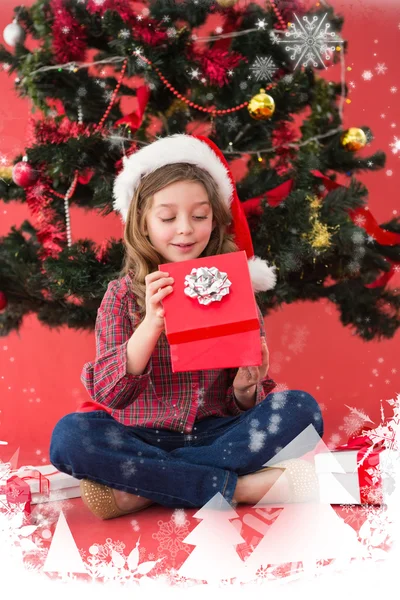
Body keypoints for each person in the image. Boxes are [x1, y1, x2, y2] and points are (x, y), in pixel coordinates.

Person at [49, 134, 324, 520]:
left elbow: (243, 399)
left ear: (213, 219)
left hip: (218, 434)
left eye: (199, 216)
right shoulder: (121, 297)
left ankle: (148, 486)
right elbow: (110, 394)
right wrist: (150, 325)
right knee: (69, 437)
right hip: (141, 437)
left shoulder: (233, 286)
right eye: (167, 217)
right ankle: (238, 487)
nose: (185, 229)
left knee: (301, 410)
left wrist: (246, 390)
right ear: (142, 224)